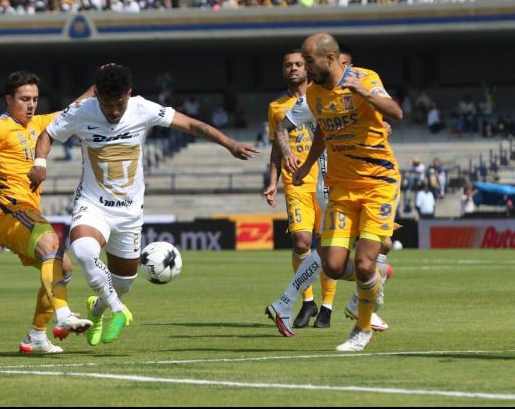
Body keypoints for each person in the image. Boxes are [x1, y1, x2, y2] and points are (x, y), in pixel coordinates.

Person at [28, 63, 258, 345]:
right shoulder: (80, 111)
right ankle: (117, 309)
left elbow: (191, 124)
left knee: (123, 283)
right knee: (85, 251)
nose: (113, 111)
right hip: (92, 204)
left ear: (129, 93)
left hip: (129, 213)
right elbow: (47, 134)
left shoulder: (143, 108)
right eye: (107, 104)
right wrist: (40, 162)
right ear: (96, 95)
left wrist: (229, 143)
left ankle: (98, 310)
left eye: (119, 103)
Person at [267, 33, 402, 351]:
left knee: (370, 258)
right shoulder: (313, 96)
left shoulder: (364, 78)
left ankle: (361, 327)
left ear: (330, 58)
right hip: (339, 187)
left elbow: (395, 112)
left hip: (377, 183)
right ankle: (367, 289)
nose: (303, 67)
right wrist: (303, 166)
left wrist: (366, 94)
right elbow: (322, 133)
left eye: (308, 60)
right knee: (333, 264)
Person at [0, 71, 95, 354]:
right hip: (10, 211)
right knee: (52, 243)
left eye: (34, 99)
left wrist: (97, 86)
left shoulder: (39, 124)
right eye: (24, 99)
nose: (31, 105)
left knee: (62, 268)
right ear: (9, 100)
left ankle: (36, 336)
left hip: (28, 213)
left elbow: (73, 110)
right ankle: (64, 314)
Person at [263, 50, 337, 330]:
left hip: (328, 181)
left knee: (329, 246)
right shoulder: (276, 107)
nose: (293, 69)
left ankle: (327, 307)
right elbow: (275, 146)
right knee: (302, 244)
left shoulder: (322, 97)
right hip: (296, 184)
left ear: (307, 68)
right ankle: (307, 300)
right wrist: (272, 181)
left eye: (297, 64)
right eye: (287, 65)